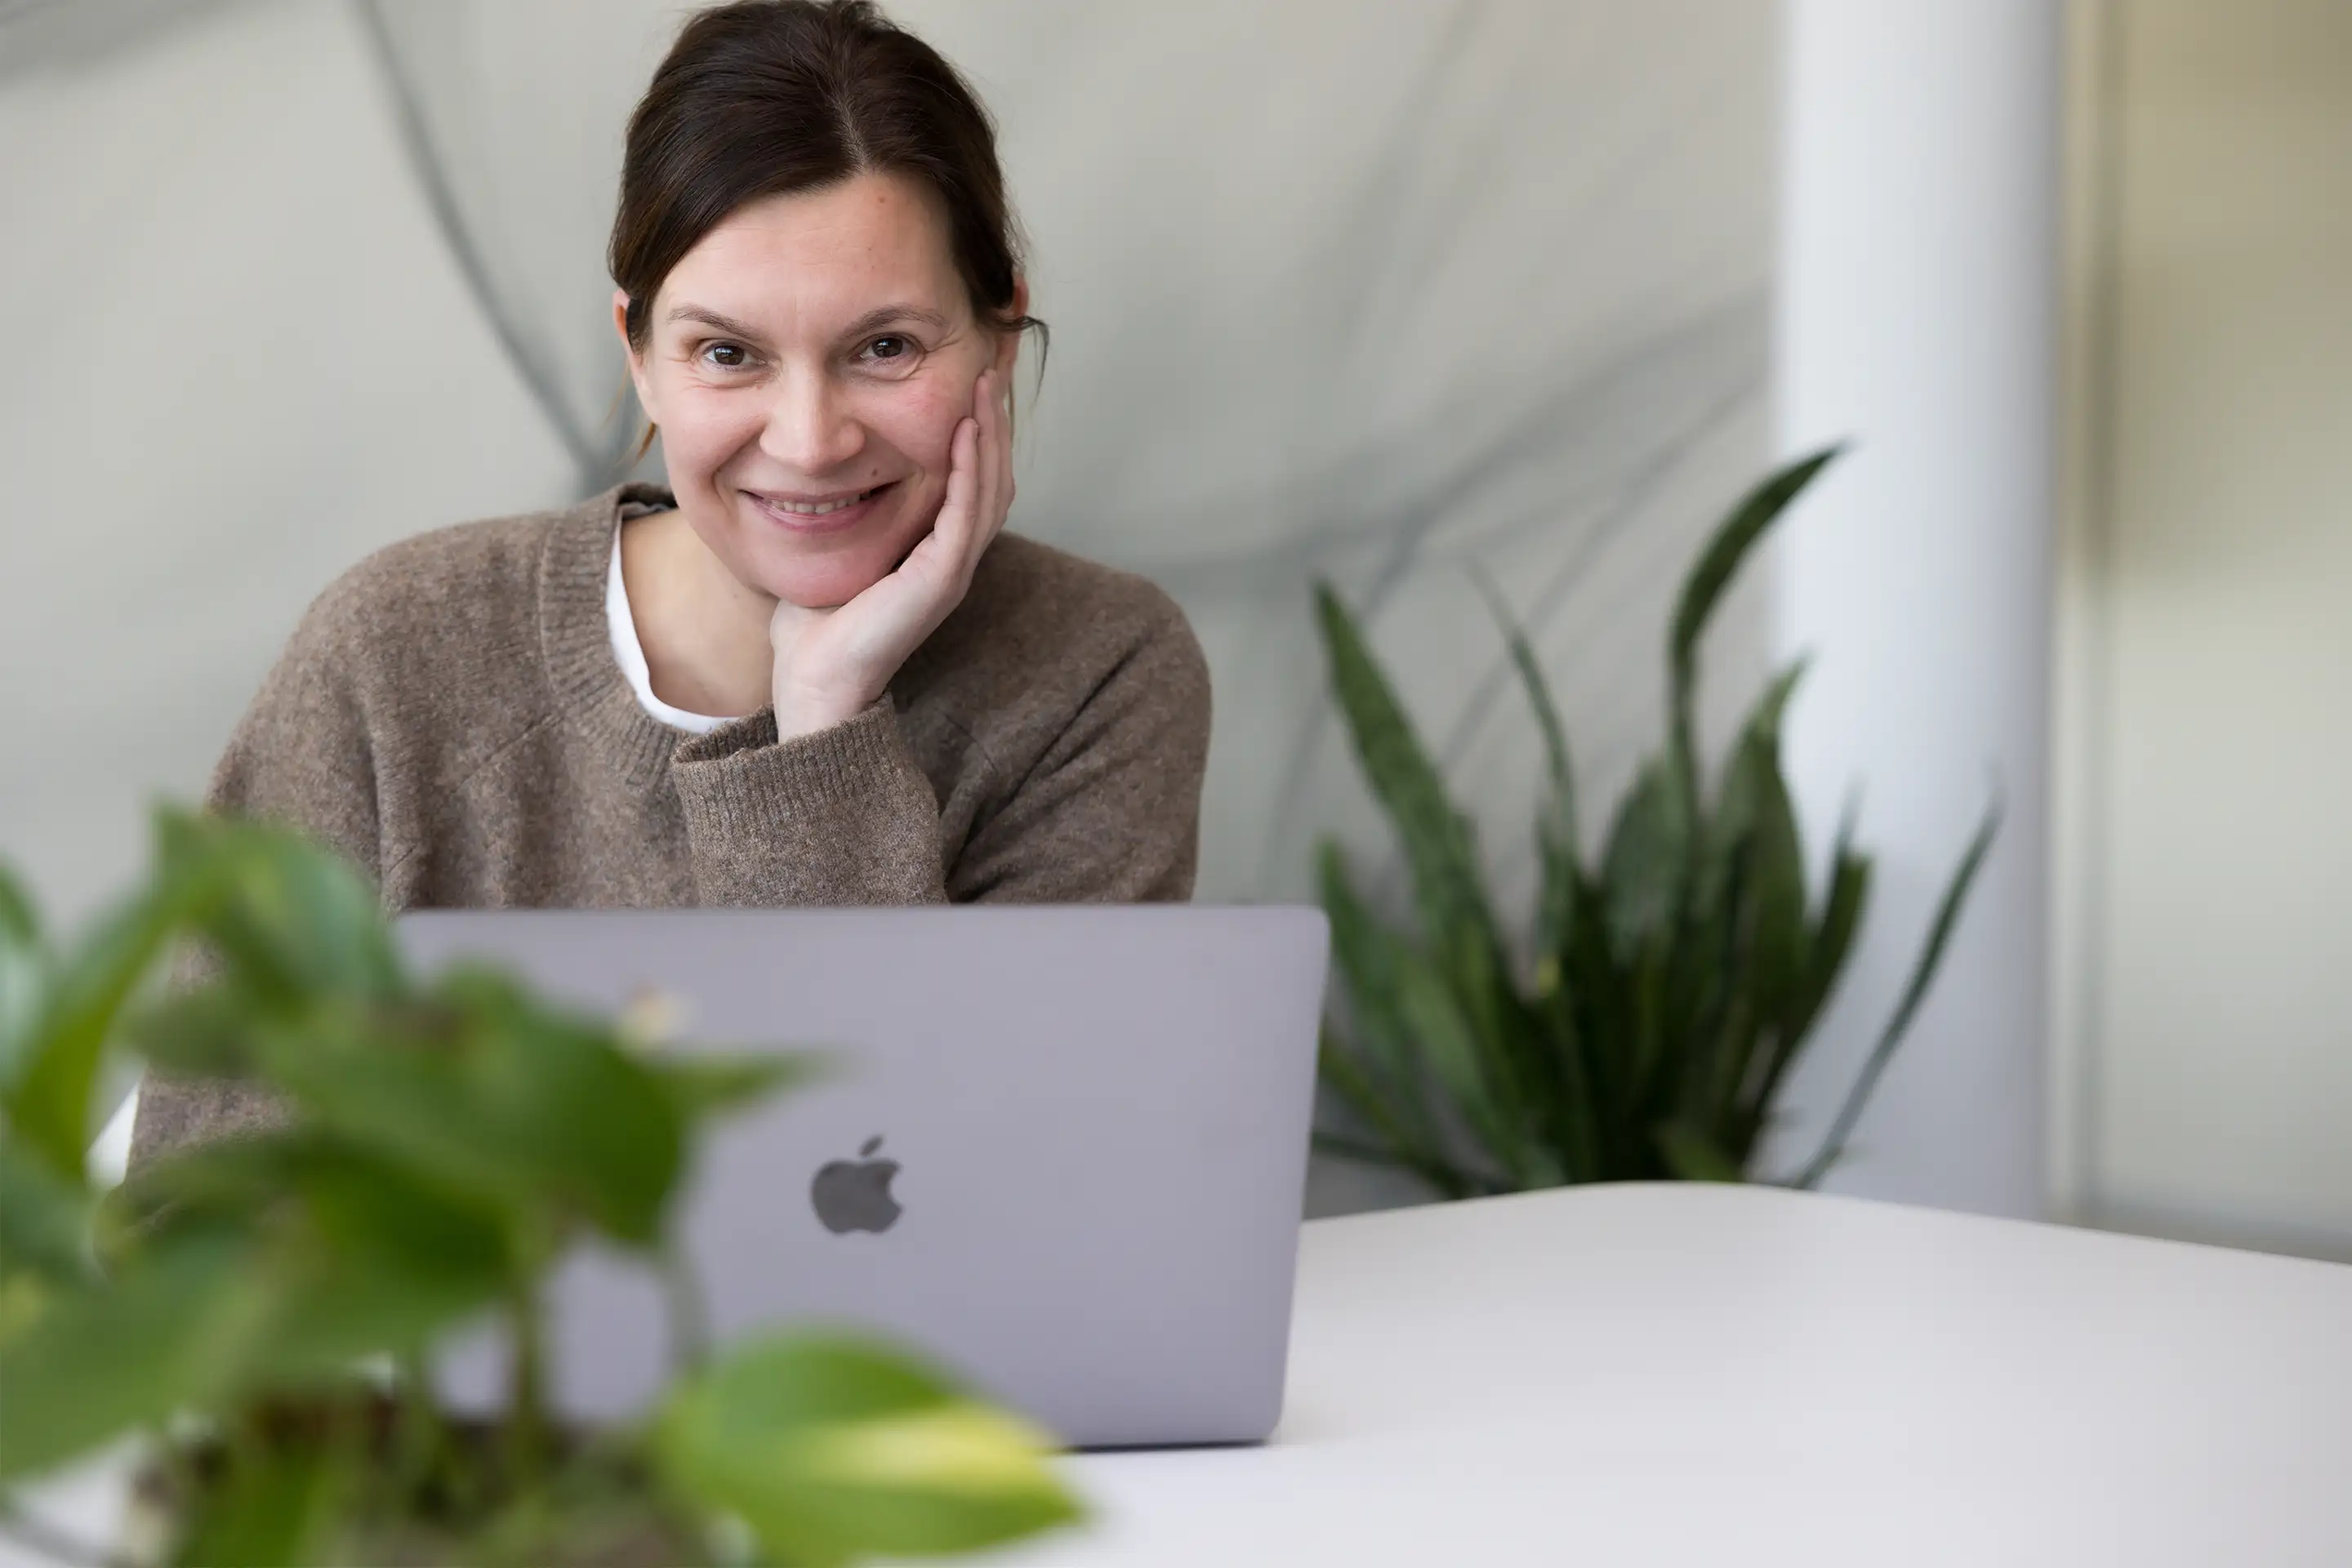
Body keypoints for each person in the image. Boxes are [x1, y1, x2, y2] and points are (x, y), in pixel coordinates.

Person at [130, 0, 1212, 1166]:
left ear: (997, 339)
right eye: (727, 353)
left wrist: (826, 722)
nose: (808, 439)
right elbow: (198, 1221)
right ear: (639, 356)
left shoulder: (1100, 673)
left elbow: (1003, 1204)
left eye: (885, 346)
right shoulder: (391, 656)